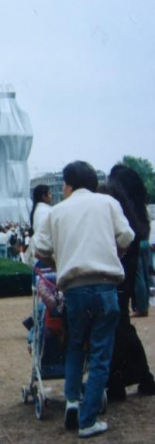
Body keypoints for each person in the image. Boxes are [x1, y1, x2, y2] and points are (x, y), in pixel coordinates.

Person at [33, 160, 134, 438]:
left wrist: (59, 258)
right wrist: (115, 251)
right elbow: (127, 235)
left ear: (68, 185)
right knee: (100, 352)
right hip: (104, 285)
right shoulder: (108, 203)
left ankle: (73, 403)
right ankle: (89, 420)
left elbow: (39, 249)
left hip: (74, 288)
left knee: (75, 346)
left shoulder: (57, 212)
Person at [102, 164, 155, 400]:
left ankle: (119, 380)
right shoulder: (137, 214)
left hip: (116, 266)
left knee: (116, 323)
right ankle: (138, 377)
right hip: (128, 264)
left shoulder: (114, 202)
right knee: (120, 321)